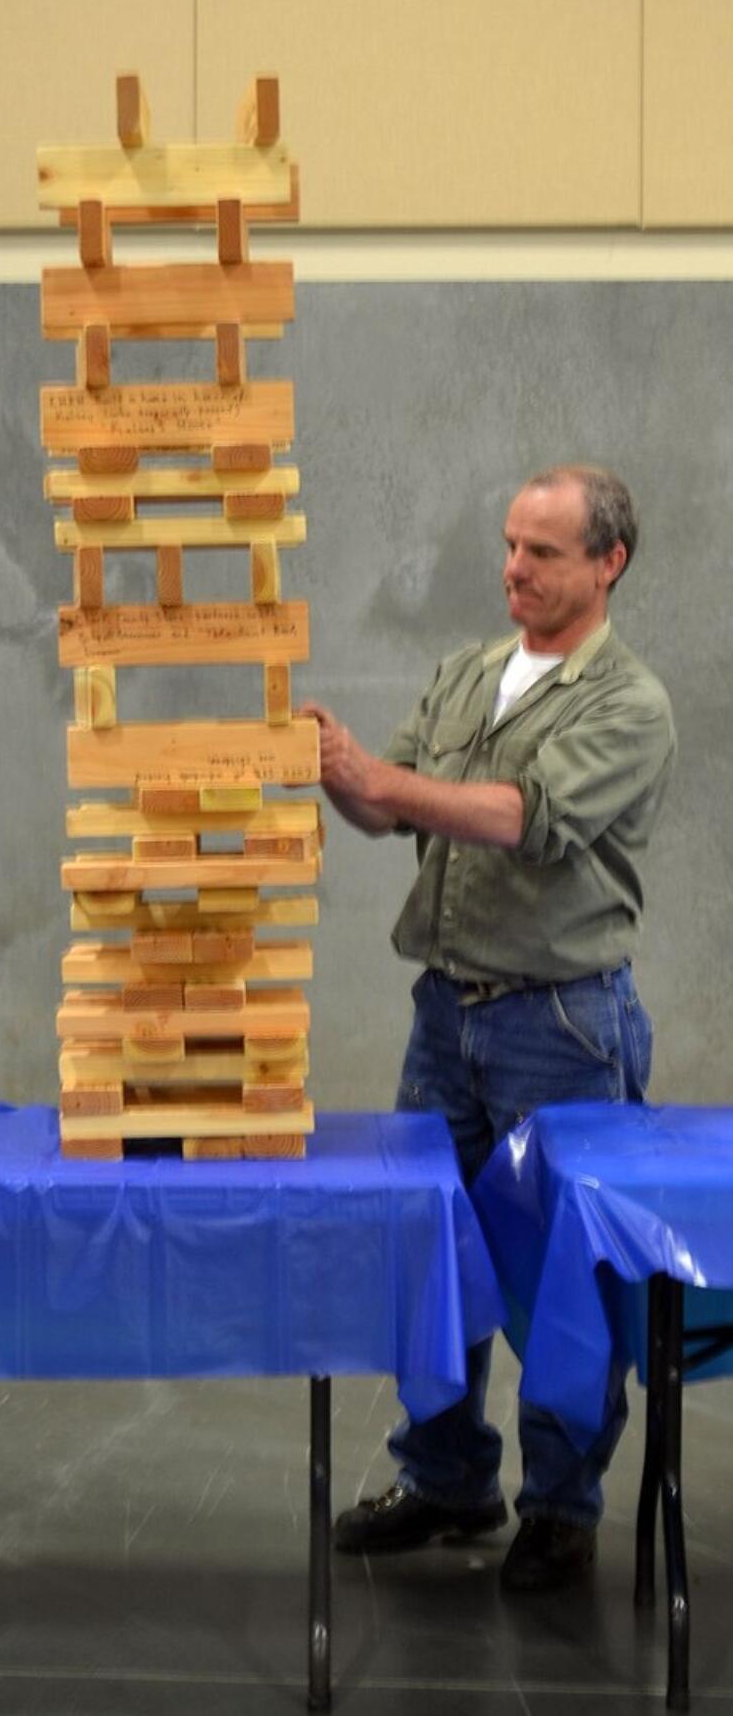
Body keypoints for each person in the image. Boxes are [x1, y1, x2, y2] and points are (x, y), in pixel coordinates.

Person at [301, 464, 675, 1593]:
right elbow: (385, 804)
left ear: (606, 562)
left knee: (562, 1276)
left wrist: (385, 778)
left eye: (542, 552)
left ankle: (559, 1503)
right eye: (509, 546)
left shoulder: (628, 703)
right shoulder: (469, 673)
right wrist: (331, 766)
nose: (512, 568)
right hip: (446, 1013)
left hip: (559, 1025)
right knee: (431, 1257)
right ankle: (446, 1476)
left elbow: (523, 817)